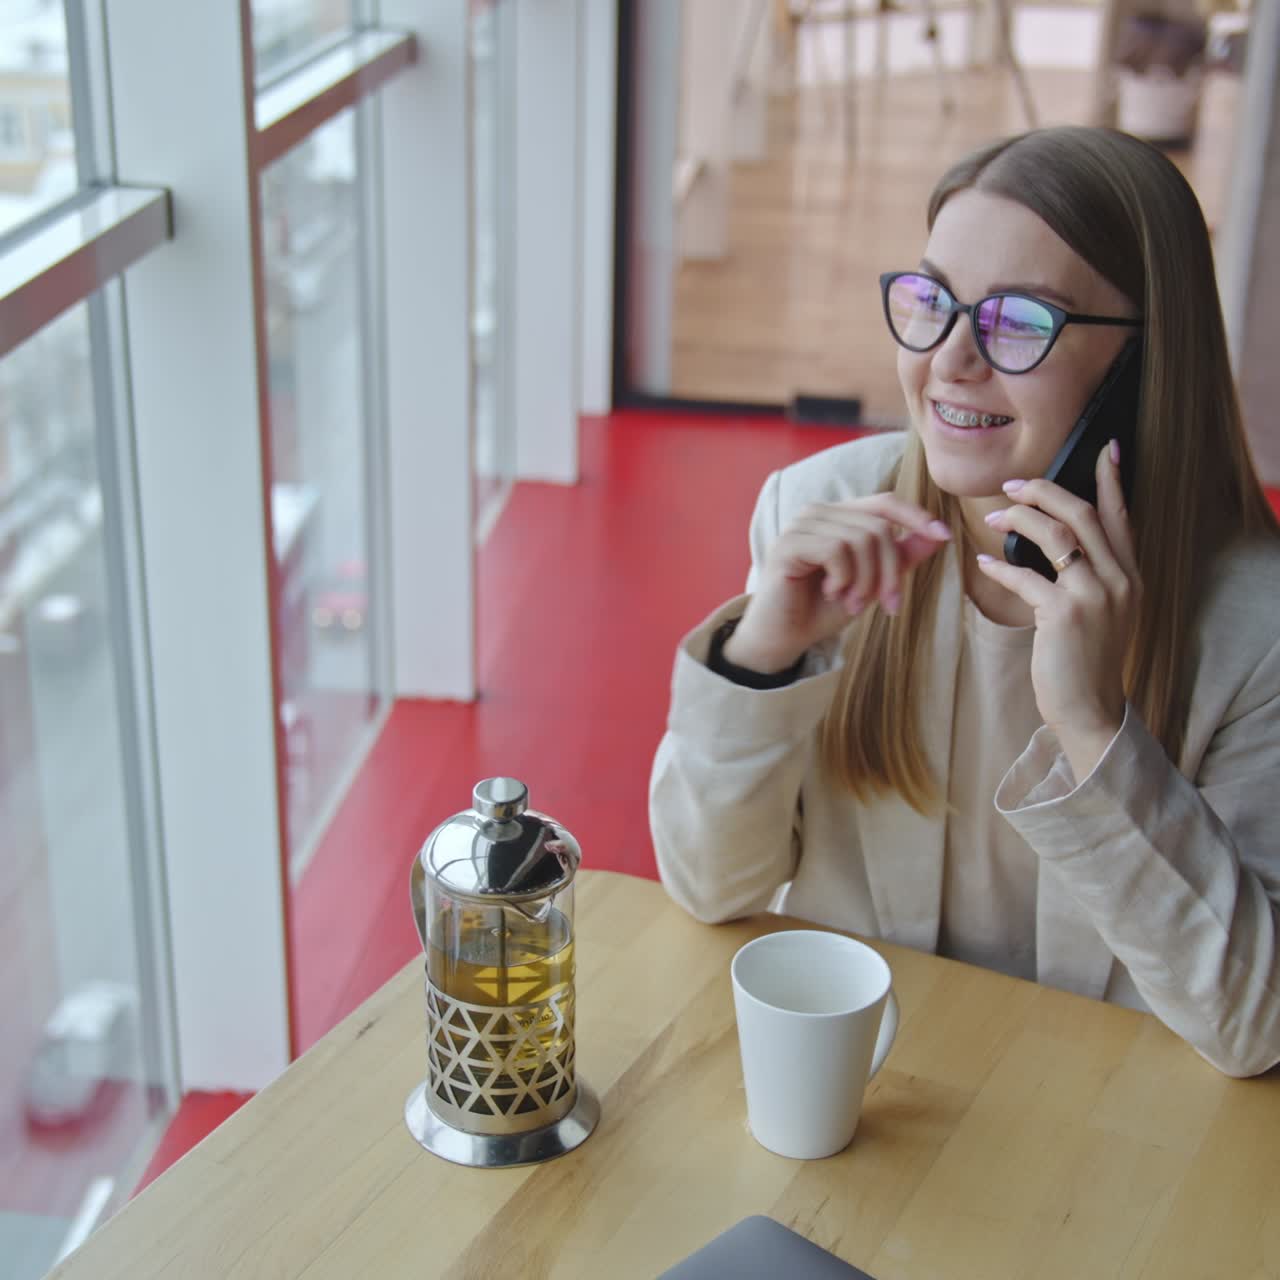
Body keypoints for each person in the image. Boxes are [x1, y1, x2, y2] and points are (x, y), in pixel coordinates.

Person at [648, 126, 1280, 1078]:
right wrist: (761, 658)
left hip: (1114, 1133)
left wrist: (1093, 724)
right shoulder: (816, 516)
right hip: (863, 1097)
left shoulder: (1254, 630)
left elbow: (1253, 1025)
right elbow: (709, 886)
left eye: (1020, 321)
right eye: (933, 301)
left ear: (1143, 366)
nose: (949, 359)